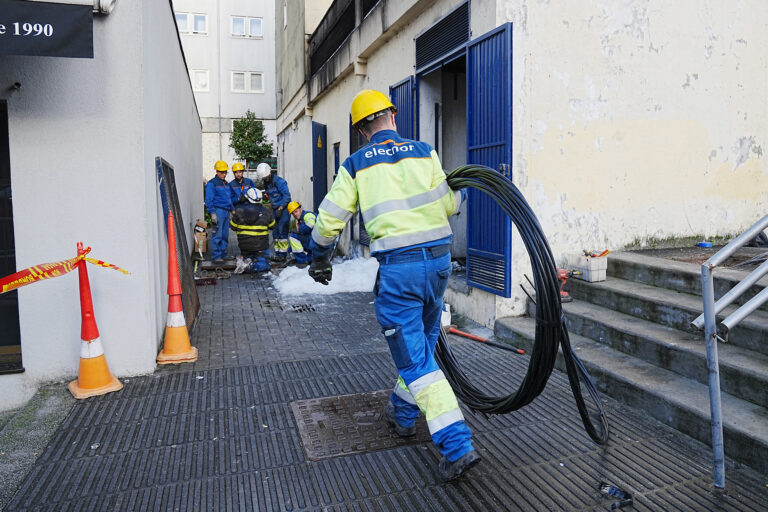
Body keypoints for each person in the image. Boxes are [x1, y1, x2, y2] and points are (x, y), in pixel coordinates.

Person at [308, 89, 477, 481]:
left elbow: (331, 219)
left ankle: (457, 445)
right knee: (421, 346)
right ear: (392, 117)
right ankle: (402, 414)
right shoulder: (424, 151)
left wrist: (319, 258)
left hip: (400, 273)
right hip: (438, 265)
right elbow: (450, 205)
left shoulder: (355, 164)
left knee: (415, 359)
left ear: (361, 129)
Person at [229, 188, 274, 273]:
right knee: (265, 264)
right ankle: (250, 266)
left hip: (245, 247)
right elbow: (272, 225)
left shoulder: (239, 211)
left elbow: (233, 226)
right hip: (261, 246)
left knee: (249, 256)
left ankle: (244, 260)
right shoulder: (266, 211)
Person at [255, 163, 292, 261]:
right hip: (275, 210)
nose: (265, 179)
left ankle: (283, 255)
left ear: (270, 172)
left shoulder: (279, 182)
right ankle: (277, 253)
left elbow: (287, 196)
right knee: (275, 232)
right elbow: (270, 196)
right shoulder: (266, 183)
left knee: (282, 231)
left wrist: (280, 208)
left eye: (266, 177)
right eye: (264, 178)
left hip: (283, 209)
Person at [204, 160, 236, 263]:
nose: (224, 174)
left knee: (225, 235)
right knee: (217, 234)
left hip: (226, 211)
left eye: (225, 172)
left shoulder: (226, 184)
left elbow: (229, 198)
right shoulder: (212, 184)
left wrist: (232, 210)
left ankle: (223, 254)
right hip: (218, 211)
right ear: (217, 171)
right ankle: (216, 256)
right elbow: (208, 200)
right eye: (222, 172)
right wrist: (212, 213)